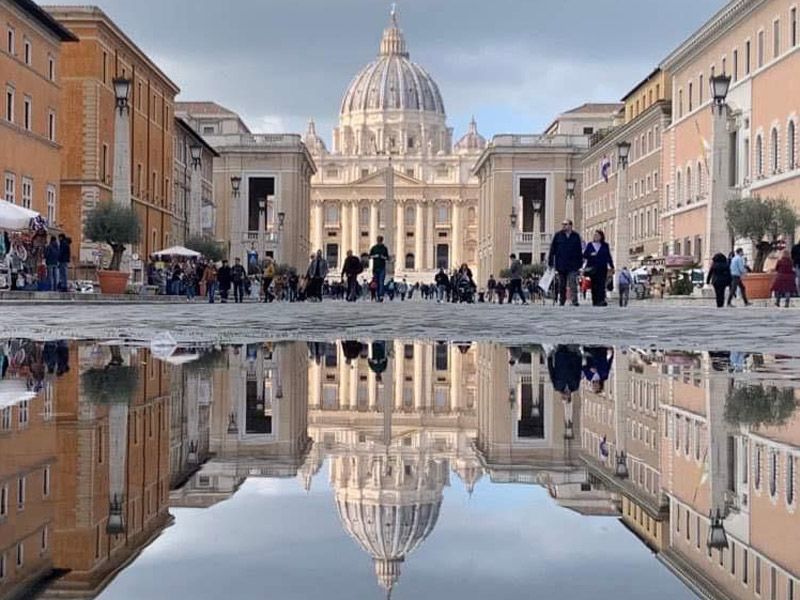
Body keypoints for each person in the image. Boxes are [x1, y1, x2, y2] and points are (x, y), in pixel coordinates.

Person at [548, 220, 583, 307]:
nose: (563, 226)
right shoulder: (558, 236)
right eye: (562, 224)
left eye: (566, 224)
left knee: (572, 283)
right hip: (561, 264)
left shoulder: (576, 236)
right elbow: (552, 250)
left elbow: (579, 251)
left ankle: (574, 300)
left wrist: (580, 264)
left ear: (571, 225)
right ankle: (562, 300)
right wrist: (551, 262)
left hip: (572, 265)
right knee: (562, 284)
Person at [582, 230, 615, 307]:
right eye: (594, 235)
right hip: (593, 268)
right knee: (594, 284)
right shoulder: (590, 245)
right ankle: (595, 300)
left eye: (597, 235)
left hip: (602, 267)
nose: (595, 236)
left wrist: (612, 266)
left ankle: (601, 300)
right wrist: (591, 254)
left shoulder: (605, 245)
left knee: (601, 284)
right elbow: (585, 255)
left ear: (601, 236)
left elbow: (608, 256)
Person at [369, 236, 390, 301]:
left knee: (381, 282)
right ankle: (378, 295)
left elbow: (387, 258)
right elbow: (369, 256)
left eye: (379, 240)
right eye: (378, 240)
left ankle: (381, 295)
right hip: (375, 268)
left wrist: (382, 257)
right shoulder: (374, 248)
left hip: (382, 267)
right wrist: (375, 256)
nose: (379, 241)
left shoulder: (384, 248)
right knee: (377, 282)